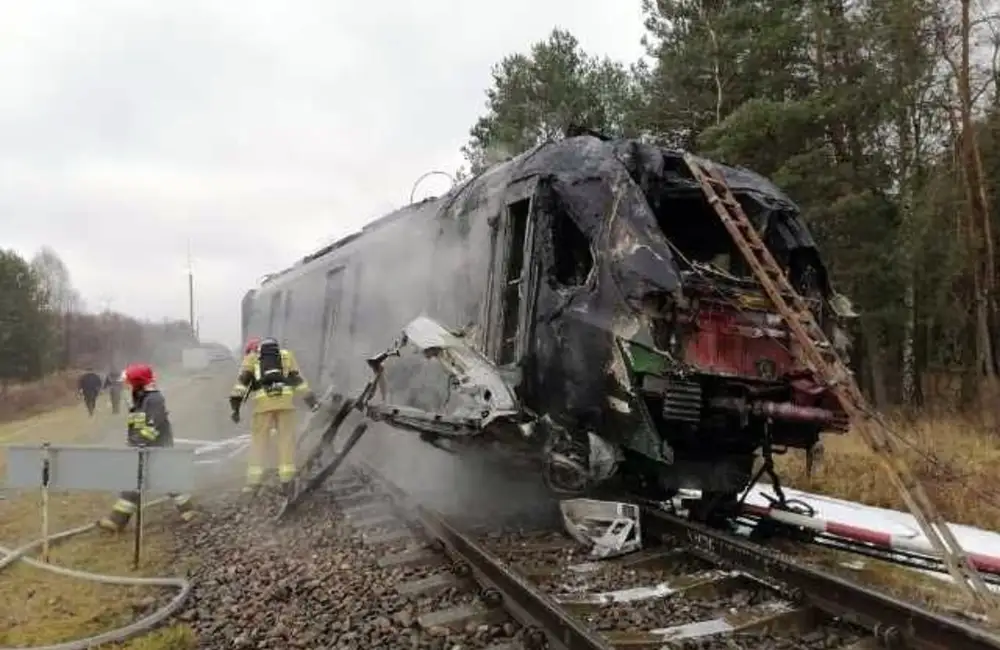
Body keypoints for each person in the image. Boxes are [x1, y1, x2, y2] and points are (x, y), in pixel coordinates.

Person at [98, 363, 196, 532]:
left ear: (138, 382)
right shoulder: (140, 398)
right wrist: (133, 443)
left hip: (156, 448)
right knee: (137, 483)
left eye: (129, 382)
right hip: (143, 448)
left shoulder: (154, 399)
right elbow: (136, 425)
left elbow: (153, 426)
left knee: (163, 481)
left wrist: (139, 443)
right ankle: (116, 521)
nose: (127, 385)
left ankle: (189, 511)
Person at [229, 337, 318, 496]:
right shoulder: (287, 356)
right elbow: (298, 381)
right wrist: (312, 402)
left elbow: (241, 385)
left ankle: (253, 484)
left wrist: (235, 408)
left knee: (259, 443)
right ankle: (287, 482)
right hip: (286, 406)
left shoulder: (251, 358)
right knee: (286, 442)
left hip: (263, 408)